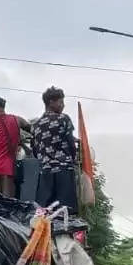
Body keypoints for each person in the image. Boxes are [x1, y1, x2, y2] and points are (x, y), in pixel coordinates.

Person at [31, 86, 80, 214]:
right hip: (63, 171)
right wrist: (74, 158)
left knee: (45, 213)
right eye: (61, 102)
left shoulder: (36, 125)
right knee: (66, 212)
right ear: (51, 102)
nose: (63, 105)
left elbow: (35, 150)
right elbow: (70, 144)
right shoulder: (63, 118)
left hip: (45, 174)